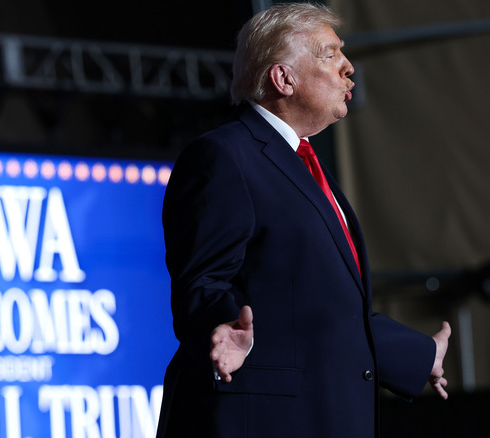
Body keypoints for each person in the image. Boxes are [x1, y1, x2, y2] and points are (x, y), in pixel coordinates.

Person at [155, 3, 451, 438]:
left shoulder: (305, 165)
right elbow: (202, 281)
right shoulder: (224, 156)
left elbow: (320, 307)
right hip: (263, 422)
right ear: (283, 78)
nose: (349, 67)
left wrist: (420, 355)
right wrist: (220, 325)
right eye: (331, 54)